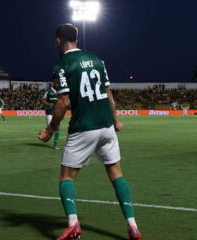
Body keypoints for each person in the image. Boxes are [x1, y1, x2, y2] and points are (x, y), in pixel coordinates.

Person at [38, 24, 141, 240]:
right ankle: (132, 225)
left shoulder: (62, 65)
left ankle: (73, 224)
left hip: (84, 127)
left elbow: (63, 102)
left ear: (58, 42)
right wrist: (115, 120)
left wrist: (50, 130)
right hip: (106, 126)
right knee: (116, 174)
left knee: (66, 177)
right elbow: (107, 93)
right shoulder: (96, 59)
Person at [41, 81, 60, 149]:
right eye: (56, 83)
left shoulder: (59, 91)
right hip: (49, 112)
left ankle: (55, 144)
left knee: (57, 127)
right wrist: (48, 104)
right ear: (54, 84)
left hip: (57, 112)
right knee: (51, 128)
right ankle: (44, 134)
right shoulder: (48, 91)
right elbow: (42, 100)